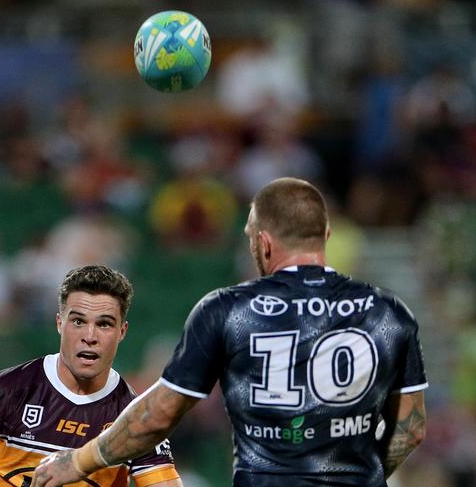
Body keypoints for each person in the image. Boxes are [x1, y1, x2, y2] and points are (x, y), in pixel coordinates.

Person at [32, 178, 428, 487]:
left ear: (263, 242)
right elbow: (411, 430)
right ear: (325, 237)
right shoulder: (388, 312)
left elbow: (158, 417)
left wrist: (78, 460)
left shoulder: (228, 310)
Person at [0, 265, 183, 487]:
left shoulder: (134, 417)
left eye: (104, 324)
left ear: (122, 332)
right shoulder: (6, 390)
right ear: (59, 323)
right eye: (78, 321)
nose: (89, 336)